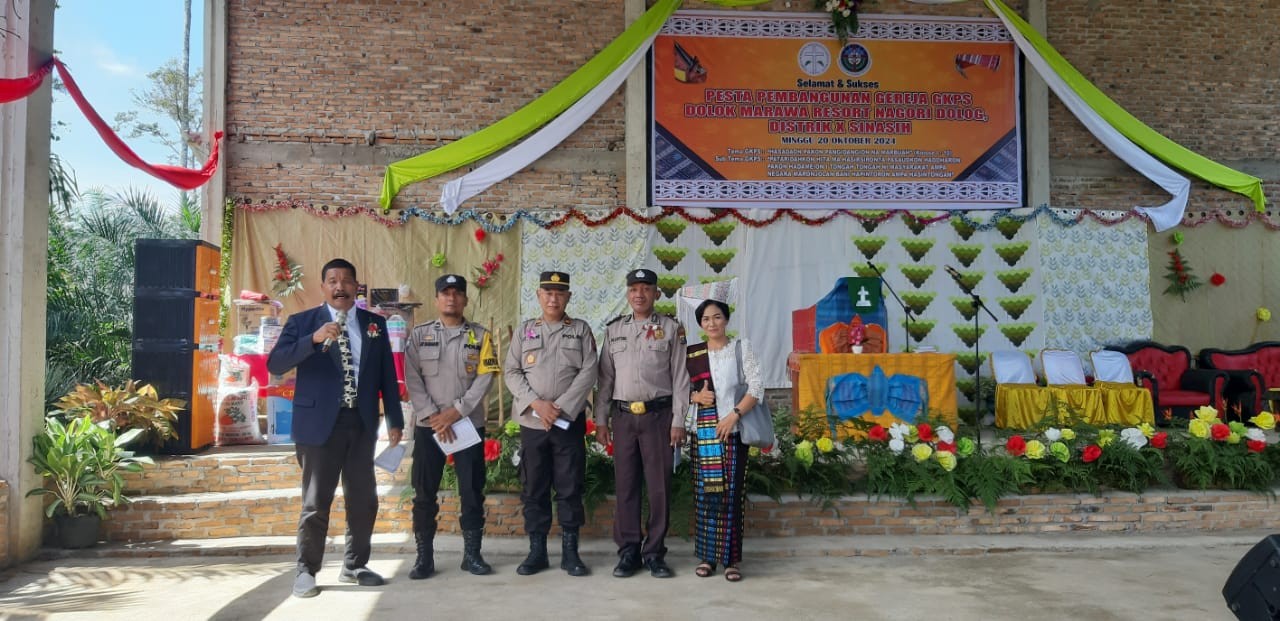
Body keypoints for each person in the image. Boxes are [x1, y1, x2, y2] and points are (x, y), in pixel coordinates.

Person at [266, 258, 404, 599]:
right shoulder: (303, 322)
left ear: (357, 287)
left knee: (364, 499)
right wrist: (313, 339)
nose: (339, 286)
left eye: (346, 281)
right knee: (316, 502)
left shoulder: (374, 324)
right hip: (318, 425)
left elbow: (387, 372)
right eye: (332, 280)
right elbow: (276, 364)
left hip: (361, 422)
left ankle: (354, 565)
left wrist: (396, 420)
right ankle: (306, 570)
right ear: (323, 287)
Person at [595, 268, 689, 578]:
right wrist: (601, 420)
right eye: (634, 288)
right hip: (623, 419)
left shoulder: (672, 329)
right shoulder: (614, 331)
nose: (639, 294)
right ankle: (629, 552)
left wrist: (679, 420)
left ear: (656, 293)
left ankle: (655, 553)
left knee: (658, 488)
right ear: (627, 293)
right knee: (626, 487)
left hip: (658, 418)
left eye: (646, 288)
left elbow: (680, 378)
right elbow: (605, 379)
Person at [403, 274, 498, 580]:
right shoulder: (418, 336)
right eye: (445, 293)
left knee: (471, 491)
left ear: (465, 300)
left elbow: (486, 378)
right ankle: (424, 558)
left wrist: (455, 412)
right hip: (429, 426)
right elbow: (412, 378)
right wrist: (434, 416)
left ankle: (472, 556)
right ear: (436, 299)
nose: (451, 298)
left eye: (457, 293)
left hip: (468, 425)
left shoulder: (481, 337)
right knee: (424, 492)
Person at [504, 271, 599, 577]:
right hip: (532, 423)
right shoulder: (525, 332)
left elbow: (589, 371)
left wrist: (559, 408)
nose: (553, 298)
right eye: (548, 292)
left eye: (559, 293)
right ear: (538, 295)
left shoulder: (581, 331)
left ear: (568, 297)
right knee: (534, 487)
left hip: (567, 423)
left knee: (570, 486)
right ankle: (537, 552)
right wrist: (538, 404)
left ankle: (570, 552)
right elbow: (511, 372)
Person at [685, 299, 762, 583]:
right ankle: (707, 556)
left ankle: (731, 560)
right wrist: (696, 397)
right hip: (703, 433)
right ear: (700, 324)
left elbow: (756, 386)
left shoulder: (741, 348)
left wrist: (735, 415)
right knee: (706, 496)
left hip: (733, 432)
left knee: (731, 496)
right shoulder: (693, 354)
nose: (712, 323)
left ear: (726, 319)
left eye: (717, 317)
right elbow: (679, 389)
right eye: (706, 319)